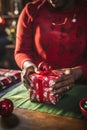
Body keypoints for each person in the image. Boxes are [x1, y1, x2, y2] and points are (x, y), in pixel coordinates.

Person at [14, 0, 87, 97]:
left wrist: (79, 72)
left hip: (80, 89)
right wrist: (28, 65)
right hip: (41, 88)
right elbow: (22, 51)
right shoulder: (31, 10)